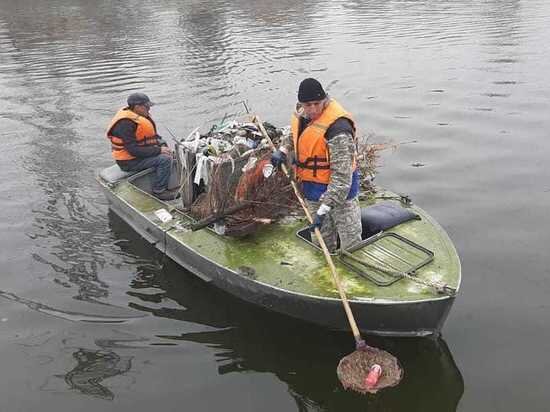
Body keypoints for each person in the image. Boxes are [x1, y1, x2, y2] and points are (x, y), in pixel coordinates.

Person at [272, 78, 362, 252]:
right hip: (313, 188)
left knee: (351, 243)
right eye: (308, 105)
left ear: (325, 100)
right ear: (301, 104)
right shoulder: (303, 113)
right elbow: (296, 134)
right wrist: (283, 149)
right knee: (321, 239)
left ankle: (353, 269)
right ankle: (326, 261)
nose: (313, 109)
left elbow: (342, 179)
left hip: (341, 194)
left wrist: (325, 208)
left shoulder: (338, 130)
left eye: (316, 104)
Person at [106, 93, 179, 201]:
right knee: (165, 160)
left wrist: (163, 145)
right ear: (137, 107)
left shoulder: (139, 117)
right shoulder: (125, 124)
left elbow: (154, 136)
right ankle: (159, 191)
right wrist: (159, 150)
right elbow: (133, 151)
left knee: (168, 153)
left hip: (137, 156)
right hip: (128, 162)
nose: (149, 109)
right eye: (147, 106)